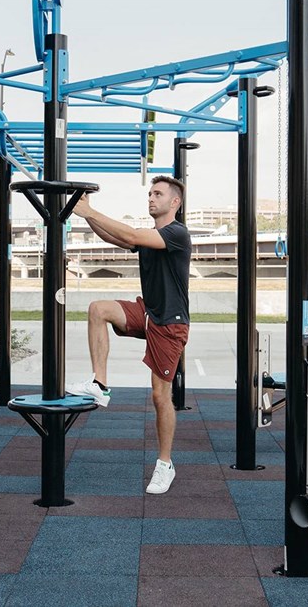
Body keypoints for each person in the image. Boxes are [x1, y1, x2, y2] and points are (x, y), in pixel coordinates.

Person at [66, 176, 191, 495]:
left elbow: (131, 234)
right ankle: (100, 384)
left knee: (160, 396)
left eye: (158, 194)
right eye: (150, 193)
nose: (151, 197)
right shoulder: (152, 235)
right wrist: (88, 212)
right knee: (98, 309)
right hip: (148, 312)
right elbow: (118, 238)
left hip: (170, 324)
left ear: (174, 202)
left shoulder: (176, 233)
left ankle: (165, 464)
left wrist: (89, 212)